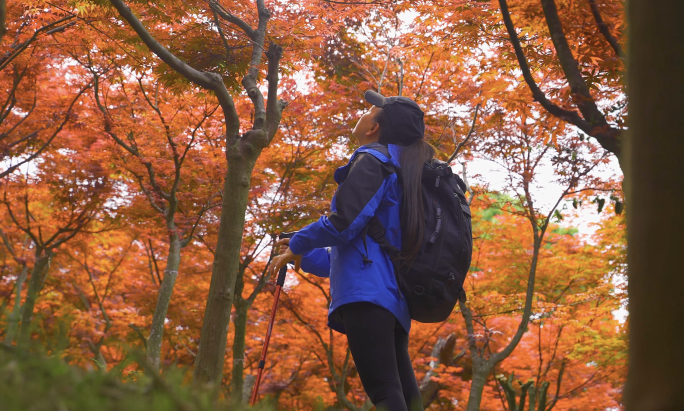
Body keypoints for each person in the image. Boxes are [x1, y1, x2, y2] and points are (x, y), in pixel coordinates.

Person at [268, 90, 434, 411]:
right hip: (389, 297)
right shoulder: (403, 175)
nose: (364, 112)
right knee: (406, 398)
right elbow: (359, 247)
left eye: (370, 109)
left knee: (385, 391)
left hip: (366, 295)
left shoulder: (372, 160)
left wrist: (299, 242)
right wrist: (306, 255)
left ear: (374, 128)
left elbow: (343, 223)